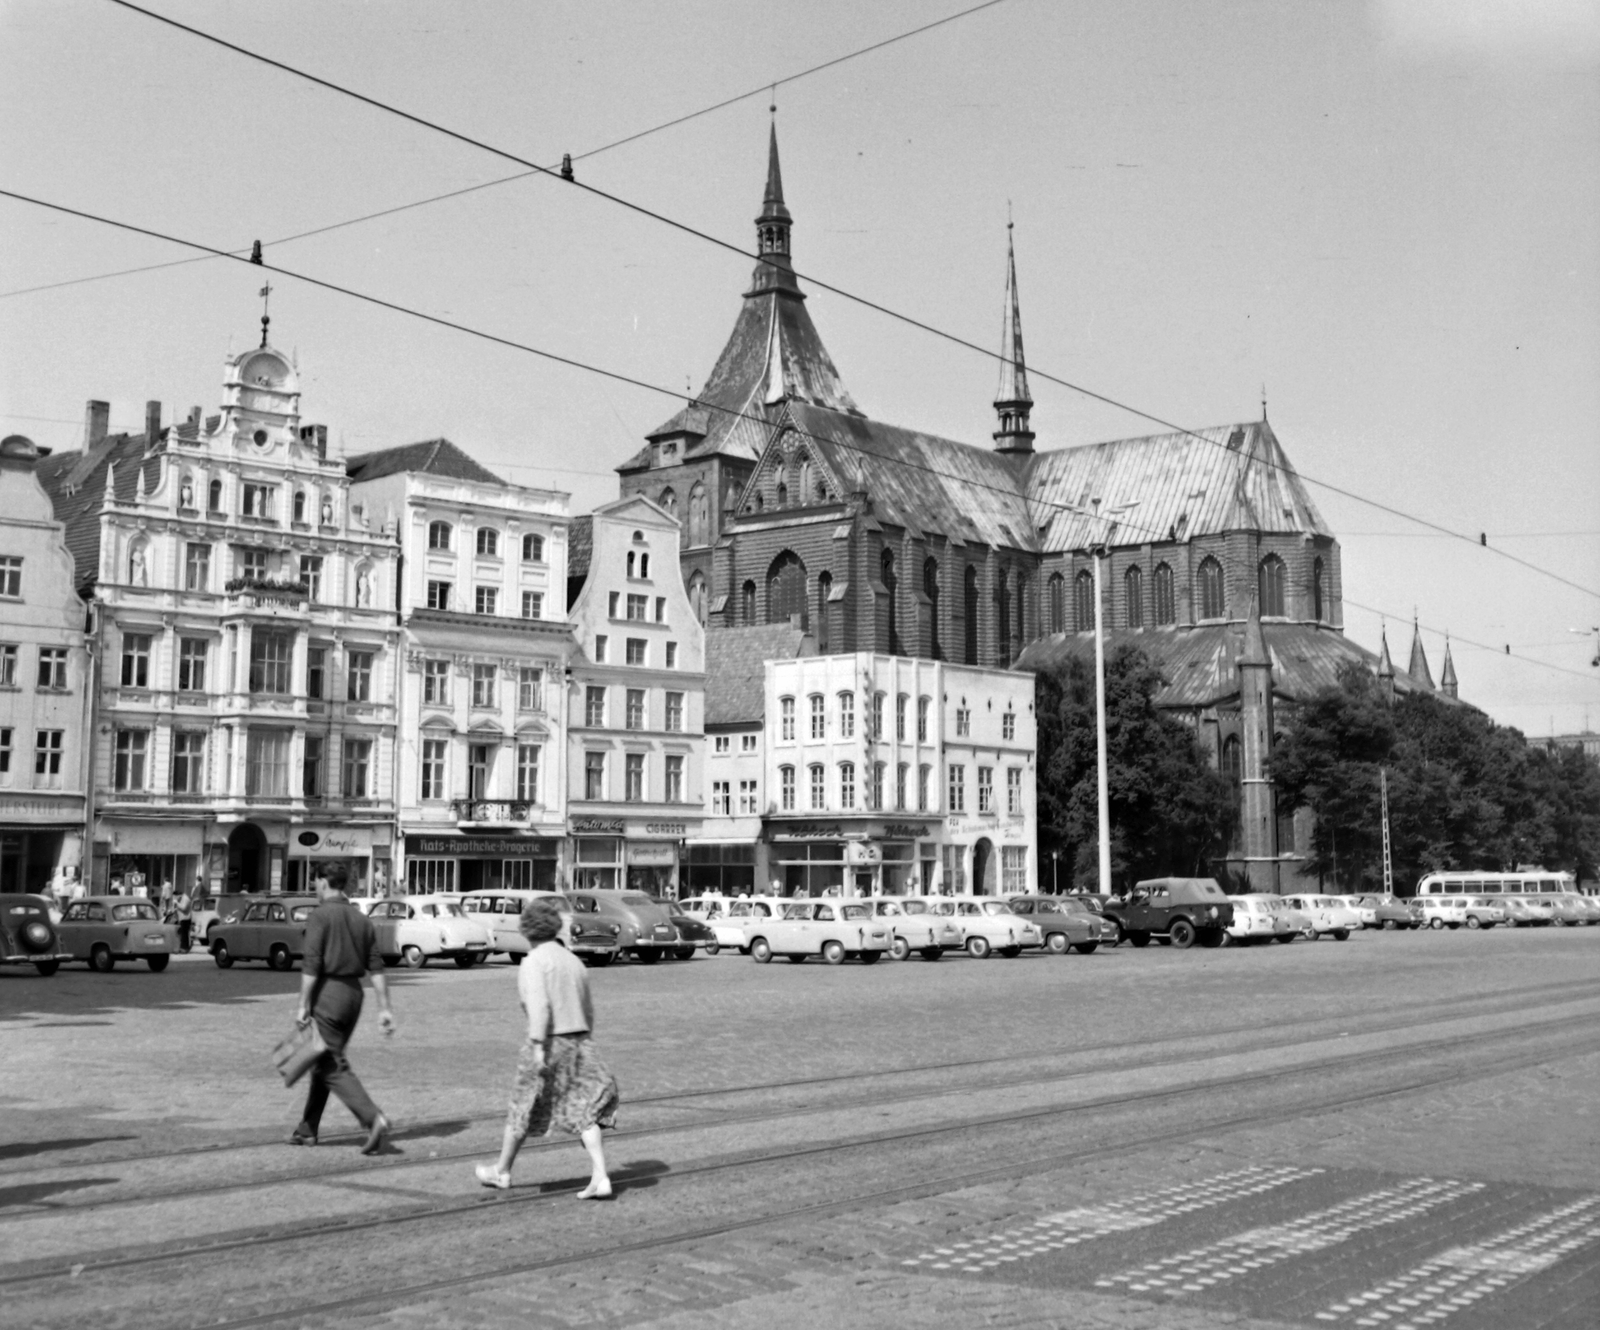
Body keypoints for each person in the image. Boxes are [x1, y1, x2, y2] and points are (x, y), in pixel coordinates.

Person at [476, 899, 618, 1197]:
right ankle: (601, 1175)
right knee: (585, 1110)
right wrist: (584, 1039)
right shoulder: (574, 961)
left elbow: (538, 1005)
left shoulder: (534, 961)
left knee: (522, 1105)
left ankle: (502, 1171)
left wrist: (539, 1045)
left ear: (527, 930)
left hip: (549, 1040)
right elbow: (588, 1009)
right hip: (580, 1040)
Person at [290, 861, 395, 1153]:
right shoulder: (361, 919)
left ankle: (373, 1118)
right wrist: (384, 1008)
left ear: (324, 881)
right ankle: (307, 1129)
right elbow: (376, 966)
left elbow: (311, 963)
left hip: (329, 995)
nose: (314, 887)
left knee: (330, 1063)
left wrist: (302, 1004)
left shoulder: (320, 916)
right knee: (324, 1059)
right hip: (354, 996)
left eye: (315, 881)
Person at [173, 883, 194, 952]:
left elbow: (184, 908)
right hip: (182, 918)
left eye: (176, 897)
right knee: (182, 934)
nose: (176, 898)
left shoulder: (185, 899)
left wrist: (177, 904)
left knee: (185, 934)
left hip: (186, 918)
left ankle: (185, 947)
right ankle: (183, 947)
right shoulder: (181, 898)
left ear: (179, 895)